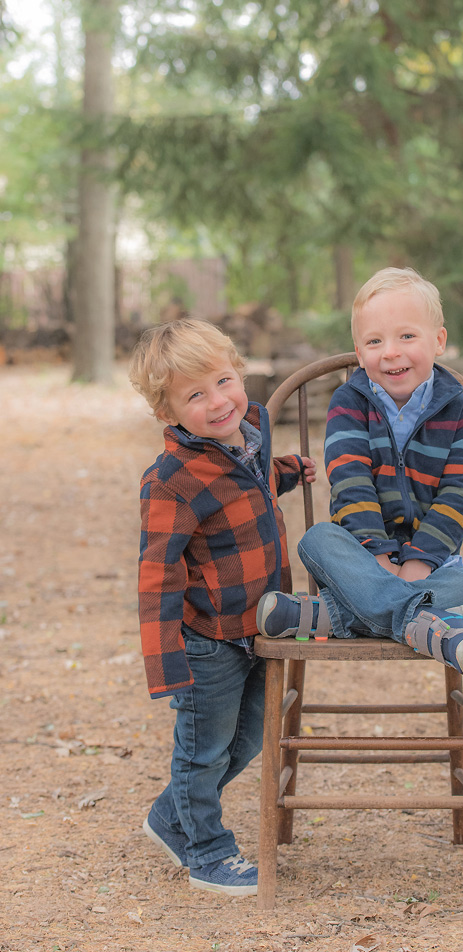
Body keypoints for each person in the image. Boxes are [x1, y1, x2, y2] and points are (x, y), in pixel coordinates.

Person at [128, 319, 315, 896]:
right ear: (169, 411)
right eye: (195, 395)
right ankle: (207, 851)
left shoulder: (249, 432)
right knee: (203, 751)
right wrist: (167, 668)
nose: (218, 401)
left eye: (223, 380)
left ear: (238, 371)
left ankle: (169, 815)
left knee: (251, 738)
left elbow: (244, 492)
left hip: (259, 624)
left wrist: (282, 473)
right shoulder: (171, 480)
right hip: (207, 639)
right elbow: (157, 577)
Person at [256, 267, 463, 676]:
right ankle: (422, 624)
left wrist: (418, 564)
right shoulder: (349, 402)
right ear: (359, 352)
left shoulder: (461, 409)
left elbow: (462, 491)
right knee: (318, 539)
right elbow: (350, 482)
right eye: (375, 341)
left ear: (439, 341)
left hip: (432, 565)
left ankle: (328, 618)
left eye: (407, 336)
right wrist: (380, 558)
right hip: (359, 560)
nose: (390, 352)